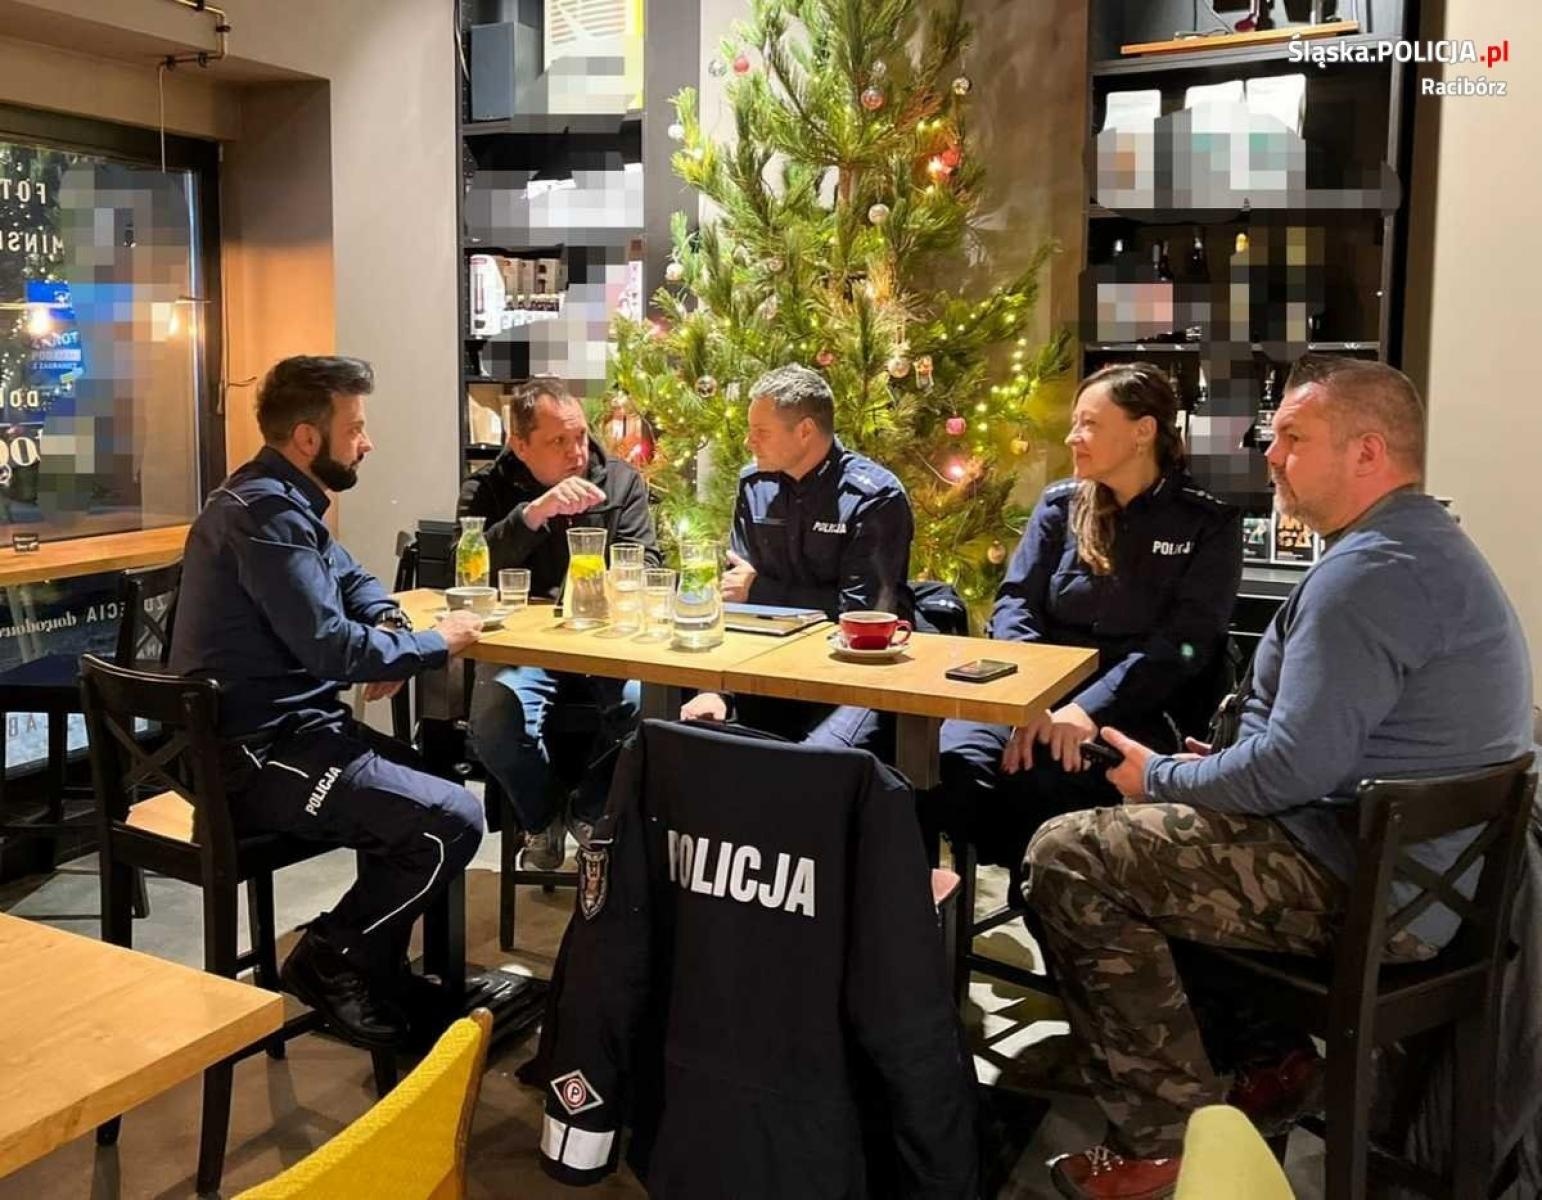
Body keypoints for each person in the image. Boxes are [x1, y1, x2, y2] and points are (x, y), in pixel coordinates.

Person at [1023, 355, 1534, 1200]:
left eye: (1294, 438)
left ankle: (1164, 1140)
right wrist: (1212, 770)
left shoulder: (1368, 575)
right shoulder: (1419, 545)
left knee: (1069, 855)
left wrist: (1163, 778)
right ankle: (1269, 1065)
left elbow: (1294, 767)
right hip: (1420, 876)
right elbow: (1318, 751)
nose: (1270, 454)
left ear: (1368, 453)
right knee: (1136, 841)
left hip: (1377, 892)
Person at [170, 356, 485, 1050]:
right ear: (309, 438)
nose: (367, 442)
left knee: (432, 787)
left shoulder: (283, 503)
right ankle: (331, 957)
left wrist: (393, 630)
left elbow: (358, 583)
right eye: (356, 428)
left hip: (298, 736)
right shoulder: (263, 516)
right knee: (449, 819)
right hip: (255, 760)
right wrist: (431, 644)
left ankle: (374, 968)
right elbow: (330, 649)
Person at [930, 363, 1242, 878]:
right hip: (1035, 693)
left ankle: (1048, 901)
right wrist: (1032, 702)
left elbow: (1186, 645)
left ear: (1143, 432)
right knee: (949, 763)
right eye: (1075, 423)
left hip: (1138, 706)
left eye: (1090, 424)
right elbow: (1016, 605)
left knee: (1048, 782)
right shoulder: (1060, 506)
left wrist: (1085, 711)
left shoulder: (1207, 521)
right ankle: (941, 917)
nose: (1073, 436)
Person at [459, 376, 660, 870]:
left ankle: (589, 812)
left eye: (580, 436)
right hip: (521, 648)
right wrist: (533, 515)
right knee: (493, 722)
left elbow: (648, 562)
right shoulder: (487, 488)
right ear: (520, 445)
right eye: (558, 441)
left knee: (647, 708)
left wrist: (611, 586)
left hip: (606, 643)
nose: (576, 452)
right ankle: (544, 816)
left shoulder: (619, 481)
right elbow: (464, 571)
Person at [680, 364, 914, 751]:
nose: (749, 442)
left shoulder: (873, 497)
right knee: (688, 735)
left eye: (761, 431)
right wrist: (715, 690)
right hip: (765, 668)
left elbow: (862, 618)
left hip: (852, 678)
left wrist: (762, 591)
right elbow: (734, 601)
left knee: (810, 761)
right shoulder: (754, 484)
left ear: (805, 430)